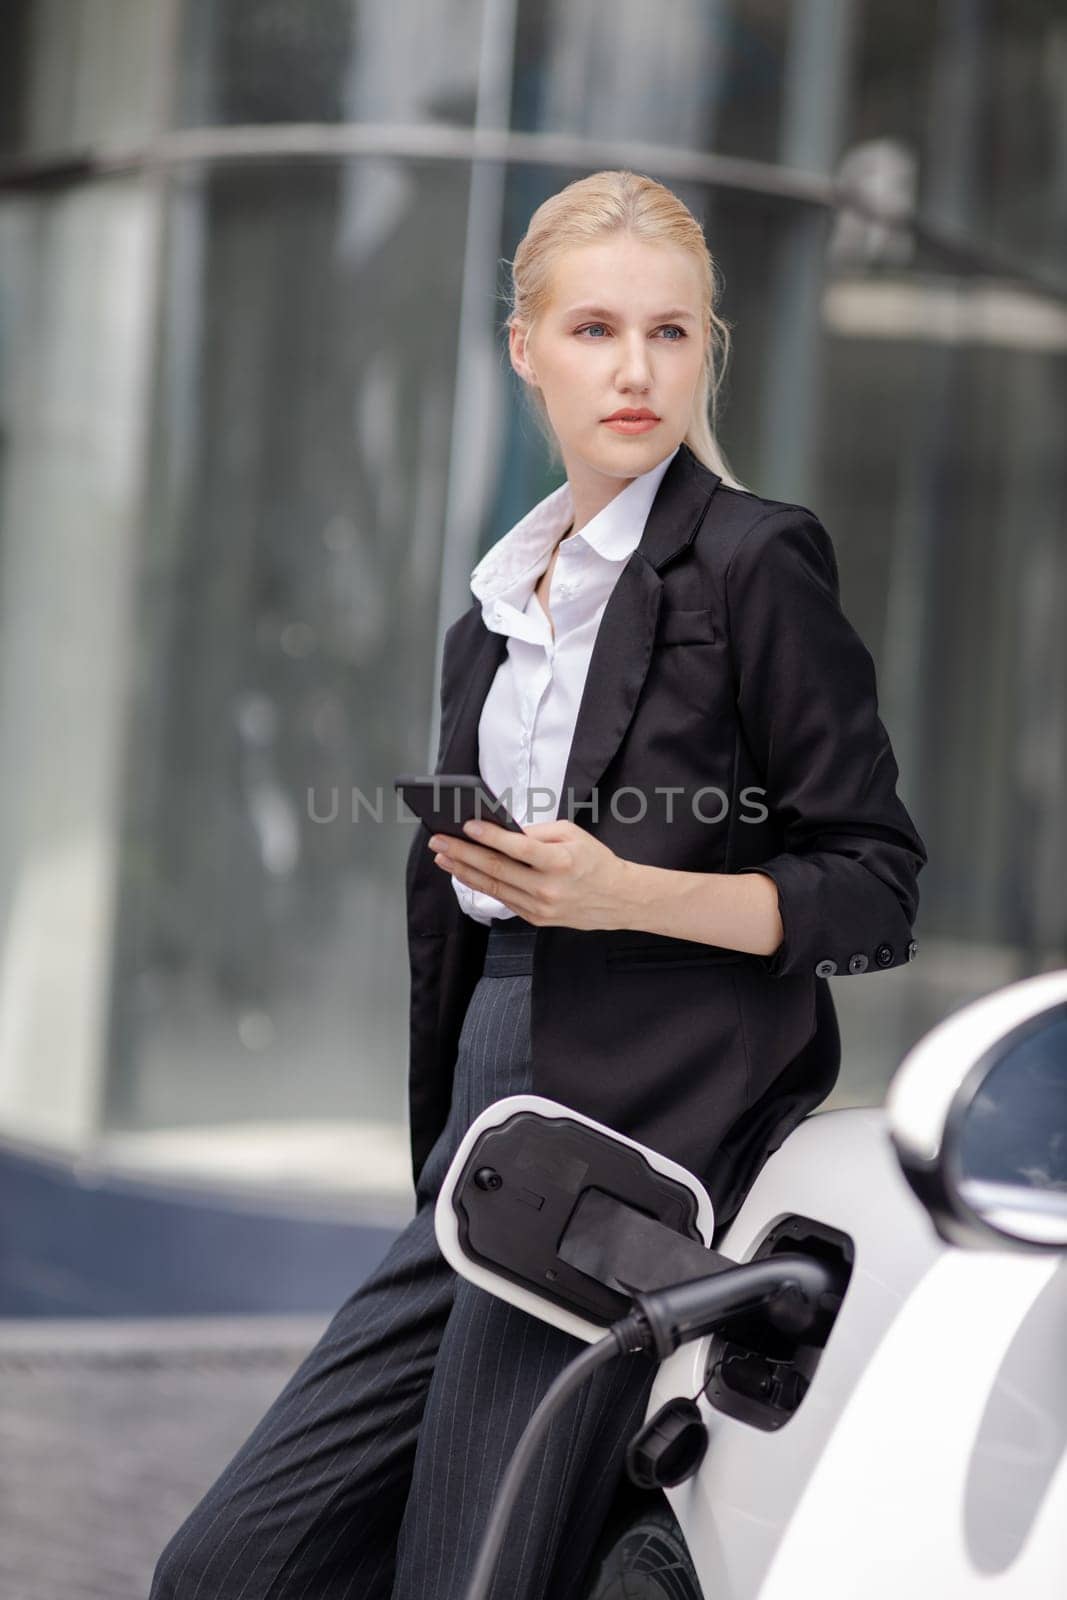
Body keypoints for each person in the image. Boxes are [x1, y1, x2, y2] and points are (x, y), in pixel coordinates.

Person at [151, 168, 926, 1600]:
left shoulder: (755, 564)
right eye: (593, 331)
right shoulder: (493, 616)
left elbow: (874, 885)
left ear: (708, 349)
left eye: (672, 334)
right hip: (486, 1122)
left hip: (626, 1136)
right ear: (525, 350)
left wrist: (626, 892)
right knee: (232, 1563)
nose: (636, 370)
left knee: (472, 1572)